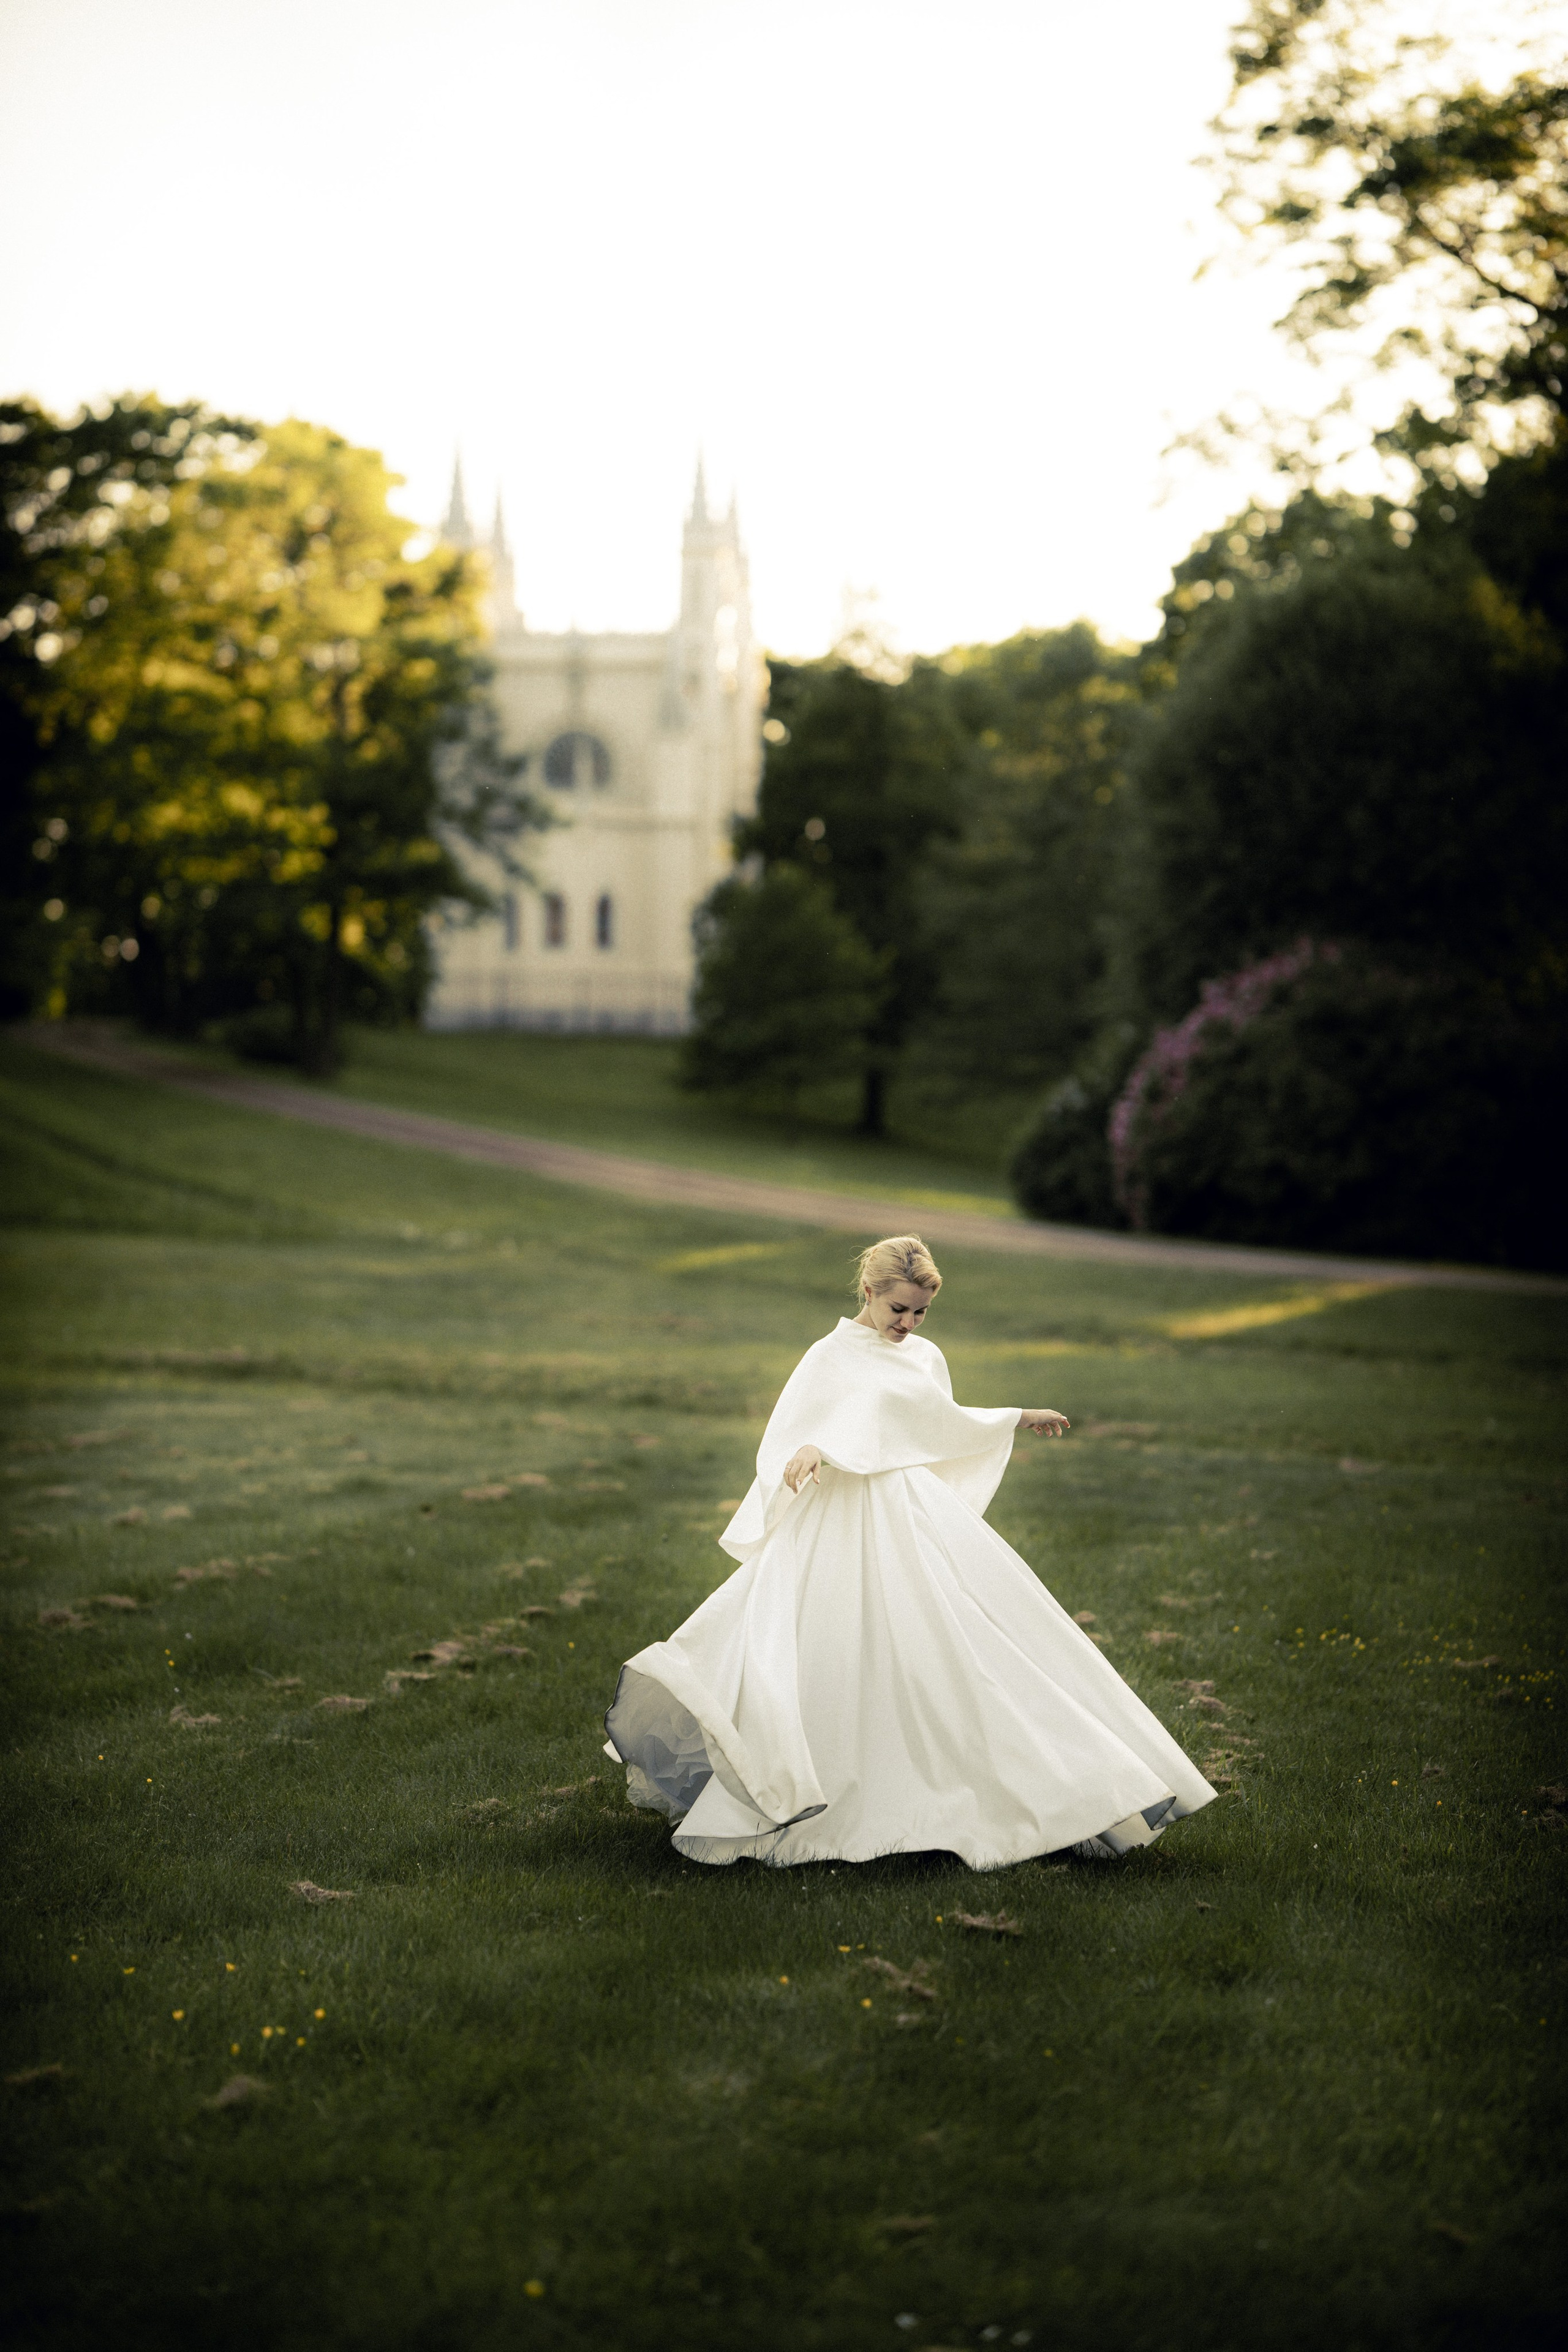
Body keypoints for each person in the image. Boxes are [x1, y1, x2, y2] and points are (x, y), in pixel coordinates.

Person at [603, 1234, 1215, 1867]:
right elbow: (799, 1426)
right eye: (898, 1309)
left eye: (920, 1312)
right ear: (867, 1292)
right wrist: (812, 1450)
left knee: (946, 1637)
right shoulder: (829, 1355)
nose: (908, 1323)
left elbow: (935, 1425)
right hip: (841, 1513)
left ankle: (1025, 1786)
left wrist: (1014, 1416)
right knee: (826, 1638)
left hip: (905, 1510)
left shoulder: (923, 1356)